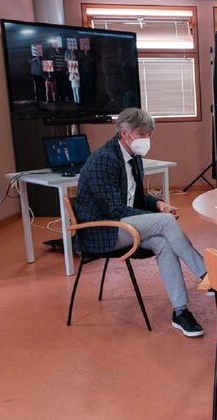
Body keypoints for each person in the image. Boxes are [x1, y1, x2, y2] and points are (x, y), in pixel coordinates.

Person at [74, 108, 208, 337]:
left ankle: (180, 312)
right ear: (125, 133)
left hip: (124, 224)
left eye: (149, 134)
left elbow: (135, 197)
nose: (147, 139)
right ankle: (207, 274)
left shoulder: (133, 158)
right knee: (165, 224)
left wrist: (157, 205)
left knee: (163, 243)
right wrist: (157, 218)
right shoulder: (103, 160)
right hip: (103, 229)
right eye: (143, 134)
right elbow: (114, 210)